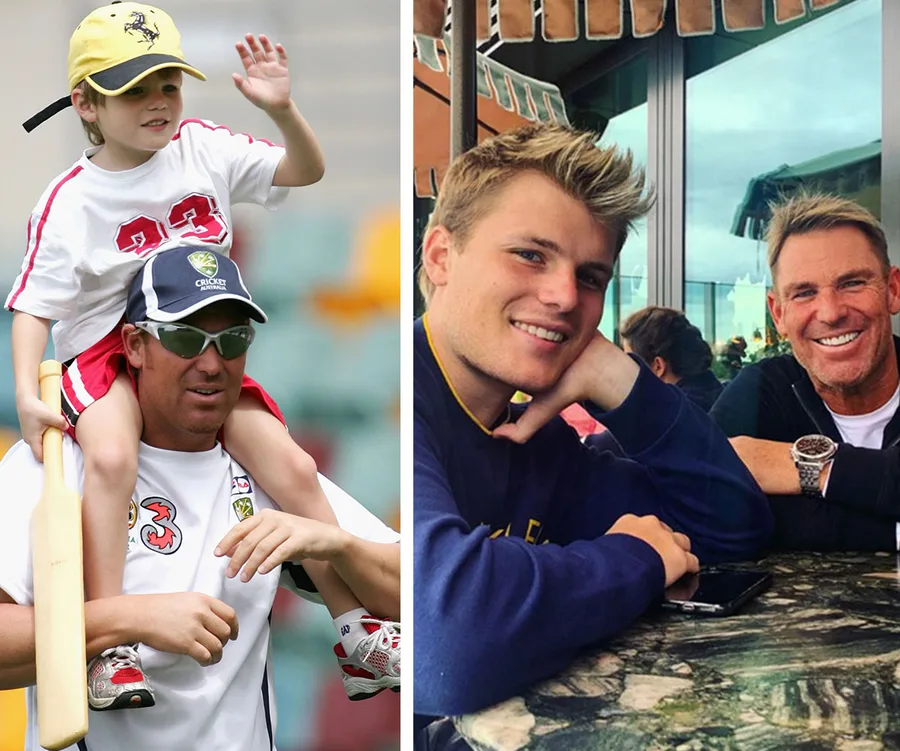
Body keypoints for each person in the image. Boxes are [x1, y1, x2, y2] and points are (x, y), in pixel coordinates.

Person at [8, 2, 396, 705]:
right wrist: (31, 395)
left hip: (190, 343)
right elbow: (33, 305)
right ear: (85, 103)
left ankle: (356, 630)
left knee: (295, 463)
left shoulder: (204, 146)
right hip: (110, 356)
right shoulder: (68, 199)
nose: (158, 101)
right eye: (134, 89)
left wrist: (282, 110)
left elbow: (303, 171)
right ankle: (112, 646)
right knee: (114, 457)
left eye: (169, 83)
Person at [413, 123, 773, 734]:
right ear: (441, 256)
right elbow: (447, 644)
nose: (563, 297)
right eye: (531, 254)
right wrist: (636, 558)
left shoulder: (537, 440)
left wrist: (623, 382)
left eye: (591, 277)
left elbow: (730, 527)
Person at [0, 247, 401, 750]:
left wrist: (339, 545)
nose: (211, 363)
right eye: (186, 338)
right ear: (135, 345)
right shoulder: (54, 461)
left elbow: (417, 593)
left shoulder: (268, 469)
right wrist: (124, 619)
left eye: (233, 340)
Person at [710, 193, 900, 551]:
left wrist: (806, 468)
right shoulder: (760, 391)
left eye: (852, 283)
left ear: (892, 289)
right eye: (804, 293)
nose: (830, 313)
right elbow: (701, 507)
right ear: (778, 313)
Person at [619, 306, 723, 412]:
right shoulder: (719, 398)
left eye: (631, 361)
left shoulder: (668, 417)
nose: (625, 369)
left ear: (658, 366)